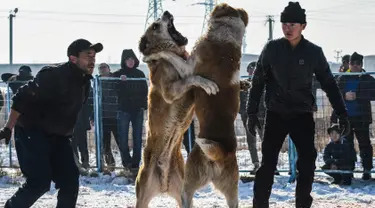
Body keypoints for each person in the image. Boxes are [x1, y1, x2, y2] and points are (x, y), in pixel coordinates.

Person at [246, 2, 350, 207]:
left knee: (307, 162)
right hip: (276, 114)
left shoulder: (313, 52)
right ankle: (260, 204)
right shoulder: (272, 49)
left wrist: (342, 113)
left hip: (302, 115)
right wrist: (251, 112)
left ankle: (303, 203)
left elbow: (329, 83)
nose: (287, 28)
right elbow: (257, 81)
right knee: (267, 164)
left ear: (303, 26)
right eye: (284, 23)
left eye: (292, 24)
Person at [0, 38, 103, 207]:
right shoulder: (53, 75)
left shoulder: (84, 82)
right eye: (87, 55)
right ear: (73, 58)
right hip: (32, 132)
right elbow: (21, 98)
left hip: (59, 137)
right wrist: (7, 127)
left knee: (70, 180)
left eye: (94, 56)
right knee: (39, 182)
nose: (92, 60)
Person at [331, 52, 375, 180]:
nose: (355, 66)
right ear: (349, 64)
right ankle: (347, 170)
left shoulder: (367, 78)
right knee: (346, 145)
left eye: (358, 64)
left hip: (362, 117)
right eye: (353, 63)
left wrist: (358, 96)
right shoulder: (342, 78)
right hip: (345, 118)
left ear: (362, 65)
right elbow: (334, 94)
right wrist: (344, 96)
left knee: (365, 144)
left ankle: (367, 170)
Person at [112, 49, 148, 173]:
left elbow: (145, 91)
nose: (130, 62)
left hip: (138, 110)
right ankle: (126, 163)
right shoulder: (118, 74)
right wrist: (120, 81)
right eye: (128, 59)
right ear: (124, 61)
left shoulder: (140, 74)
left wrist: (144, 106)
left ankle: (135, 164)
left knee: (138, 138)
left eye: (132, 59)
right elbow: (115, 90)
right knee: (123, 138)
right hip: (123, 110)